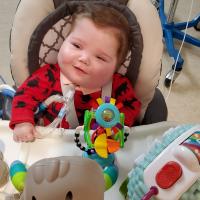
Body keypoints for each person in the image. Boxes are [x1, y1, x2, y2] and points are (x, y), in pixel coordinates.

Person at [9, 3, 141, 142]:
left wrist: (116, 126)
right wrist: (23, 122)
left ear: (116, 66)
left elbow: (132, 106)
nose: (84, 59)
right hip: (51, 143)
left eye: (100, 57)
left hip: (98, 147)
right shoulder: (47, 76)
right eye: (76, 46)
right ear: (64, 42)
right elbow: (24, 96)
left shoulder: (119, 86)